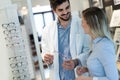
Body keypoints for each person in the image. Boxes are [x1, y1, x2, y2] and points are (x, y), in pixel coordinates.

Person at [41, 0, 90, 80]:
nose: (65, 12)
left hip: (78, 75)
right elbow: (45, 51)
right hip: (58, 76)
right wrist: (46, 58)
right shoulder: (48, 29)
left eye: (67, 8)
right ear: (54, 11)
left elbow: (88, 51)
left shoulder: (81, 24)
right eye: (61, 10)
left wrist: (76, 61)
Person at [76, 7, 119, 80]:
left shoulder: (104, 46)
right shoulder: (96, 43)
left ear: (91, 24)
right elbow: (101, 68)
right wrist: (87, 69)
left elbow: (113, 78)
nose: (81, 25)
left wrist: (88, 79)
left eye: (83, 21)